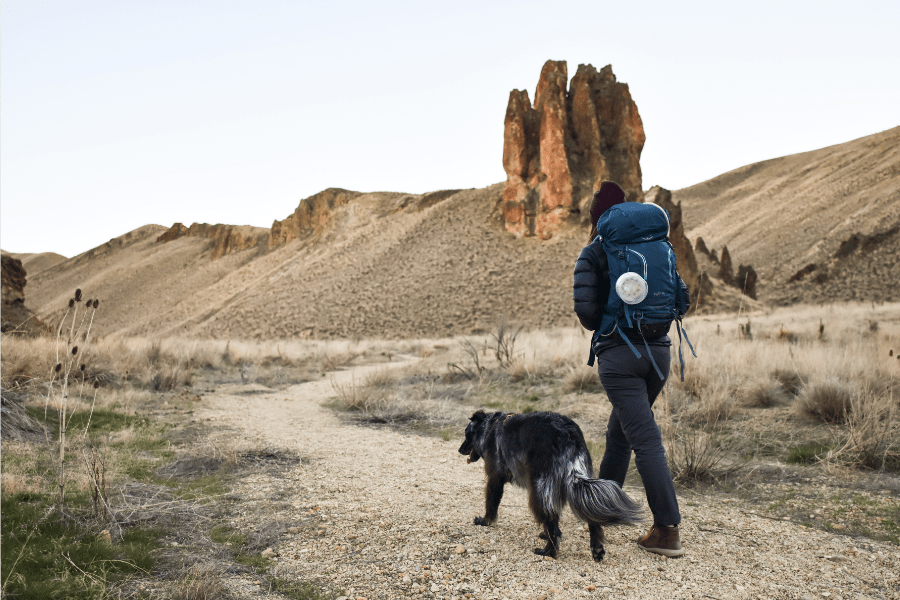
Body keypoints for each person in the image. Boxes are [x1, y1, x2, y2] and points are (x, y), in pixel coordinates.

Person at [572, 180, 690, 558]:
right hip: (659, 353)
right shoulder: (658, 247)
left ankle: (667, 531)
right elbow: (682, 299)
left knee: (644, 439)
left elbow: (588, 315)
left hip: (619, 359)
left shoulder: (594, 252)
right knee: (621, 432)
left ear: (598, 217)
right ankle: (604, 509)